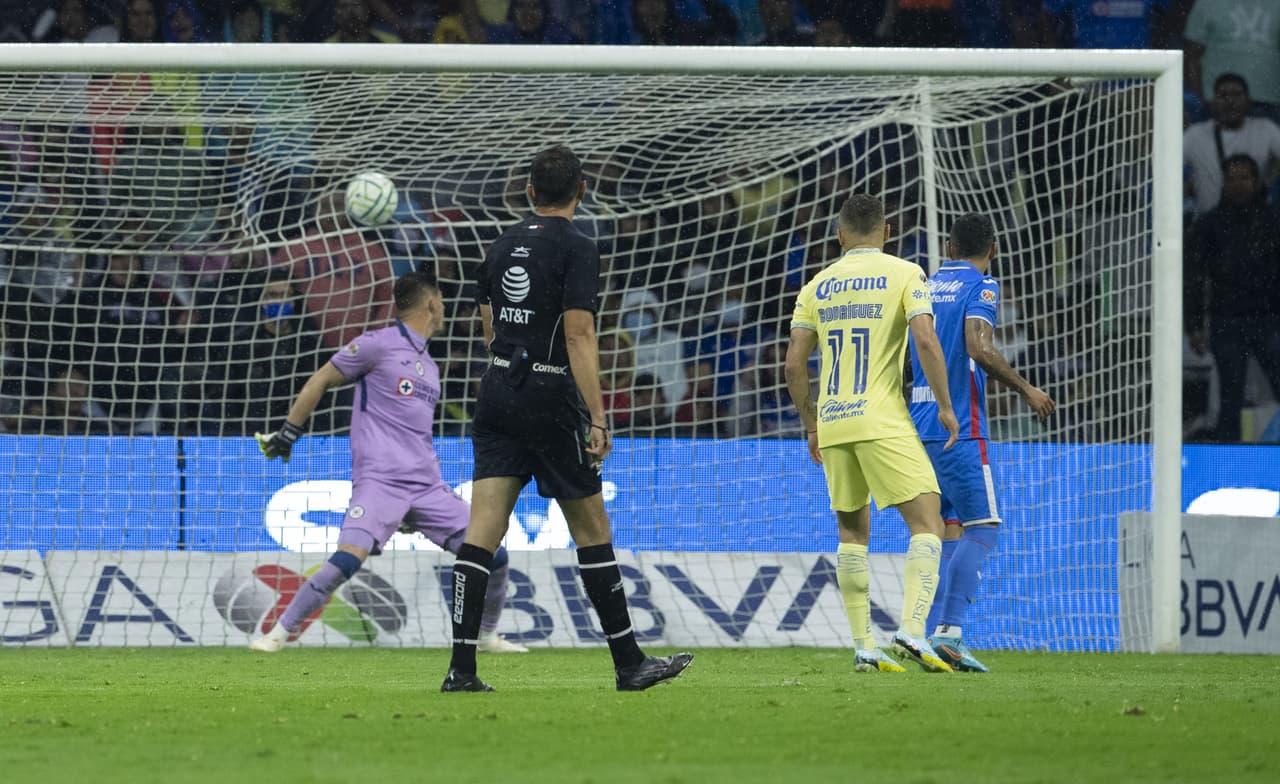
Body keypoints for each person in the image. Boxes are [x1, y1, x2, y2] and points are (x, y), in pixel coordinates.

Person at [441, 144, 693, 692]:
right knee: (591, 529)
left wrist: (510, 364)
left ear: (530, 193)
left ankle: (462, 670)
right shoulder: (579, 247)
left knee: (481, 532)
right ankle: (629, 664)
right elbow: (579, 332)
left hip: (498, 390)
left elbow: (486, 321)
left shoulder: (502, 243)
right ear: (582, 190)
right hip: (552, 396)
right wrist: (598, 417)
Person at [249, 271, 527, 654]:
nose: (444, 309)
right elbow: (319, 380)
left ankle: (486, 635)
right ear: (431, 303)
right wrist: (289, 433)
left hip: (428, 486)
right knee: (346, 561)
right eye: (442, 302)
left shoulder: (428, 364)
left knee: (494, 555)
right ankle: (276, 634)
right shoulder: (376, 345)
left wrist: (414, 510)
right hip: (380, 482)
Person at [784, 193, 959, 674]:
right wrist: (945, 405)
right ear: (888, 232)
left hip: (836, 420)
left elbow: (793, 364)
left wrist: (811, 425)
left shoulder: (816, 286)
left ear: (839, 236)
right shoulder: (907, 273)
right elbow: (925, 338)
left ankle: (864, 645)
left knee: (852, 534)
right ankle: (912, 631)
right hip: (882, 417)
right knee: (929, 524)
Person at [907, 213, 1055, 673]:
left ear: (948, 246)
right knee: (984, 527)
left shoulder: (924, 285)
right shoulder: (983, 287)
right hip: (961, 426)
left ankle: (926, 637)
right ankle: (949, 632)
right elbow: (978, 346)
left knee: (944, 530)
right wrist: (1025, 388)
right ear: (993, 249)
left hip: (919, 423)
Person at [1184, 154, 1280, 442]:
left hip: (1270, 318)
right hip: (1227, 322)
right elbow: (1193, 278)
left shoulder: (1273, 222)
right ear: (1224, 182)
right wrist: (1195, 325)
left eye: (1245, 177)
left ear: (1257, 181)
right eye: (1232, 178)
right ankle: (1227, 458)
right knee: (1230, 396)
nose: (1238, 184)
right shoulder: (1209, 225)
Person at [1184, 73, 1280, 218]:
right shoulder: (1194, 135)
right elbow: (1166, 168)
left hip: (1255, 226)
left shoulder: (1266, 129)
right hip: (1208, 230)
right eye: (1223, 95)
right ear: (1213, 102)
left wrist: (1270, 178)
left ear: (1249, 100)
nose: (1230, 101)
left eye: (1237, 94)